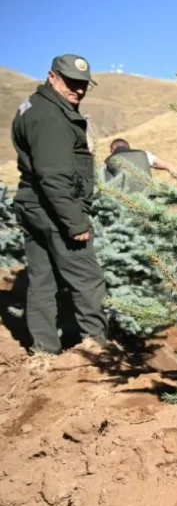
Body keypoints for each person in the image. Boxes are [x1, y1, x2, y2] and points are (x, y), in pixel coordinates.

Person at [10, 54, 108, 354]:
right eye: (71, 82)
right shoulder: (51, 116)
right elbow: (53, 176)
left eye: (83, 85)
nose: (78, 90)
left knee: (42, 280)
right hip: (53, 210)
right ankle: (98, 351)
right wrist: (75, 222)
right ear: (52, 77)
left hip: (32, 205)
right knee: (87, 278)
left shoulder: (35, 107)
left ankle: (44, 352)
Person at [103, 139, 177, 193]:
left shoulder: (108, 162)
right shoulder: (144, 154)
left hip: (125, 203)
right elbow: (168, 165)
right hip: (149, 199)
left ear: (113, 149)